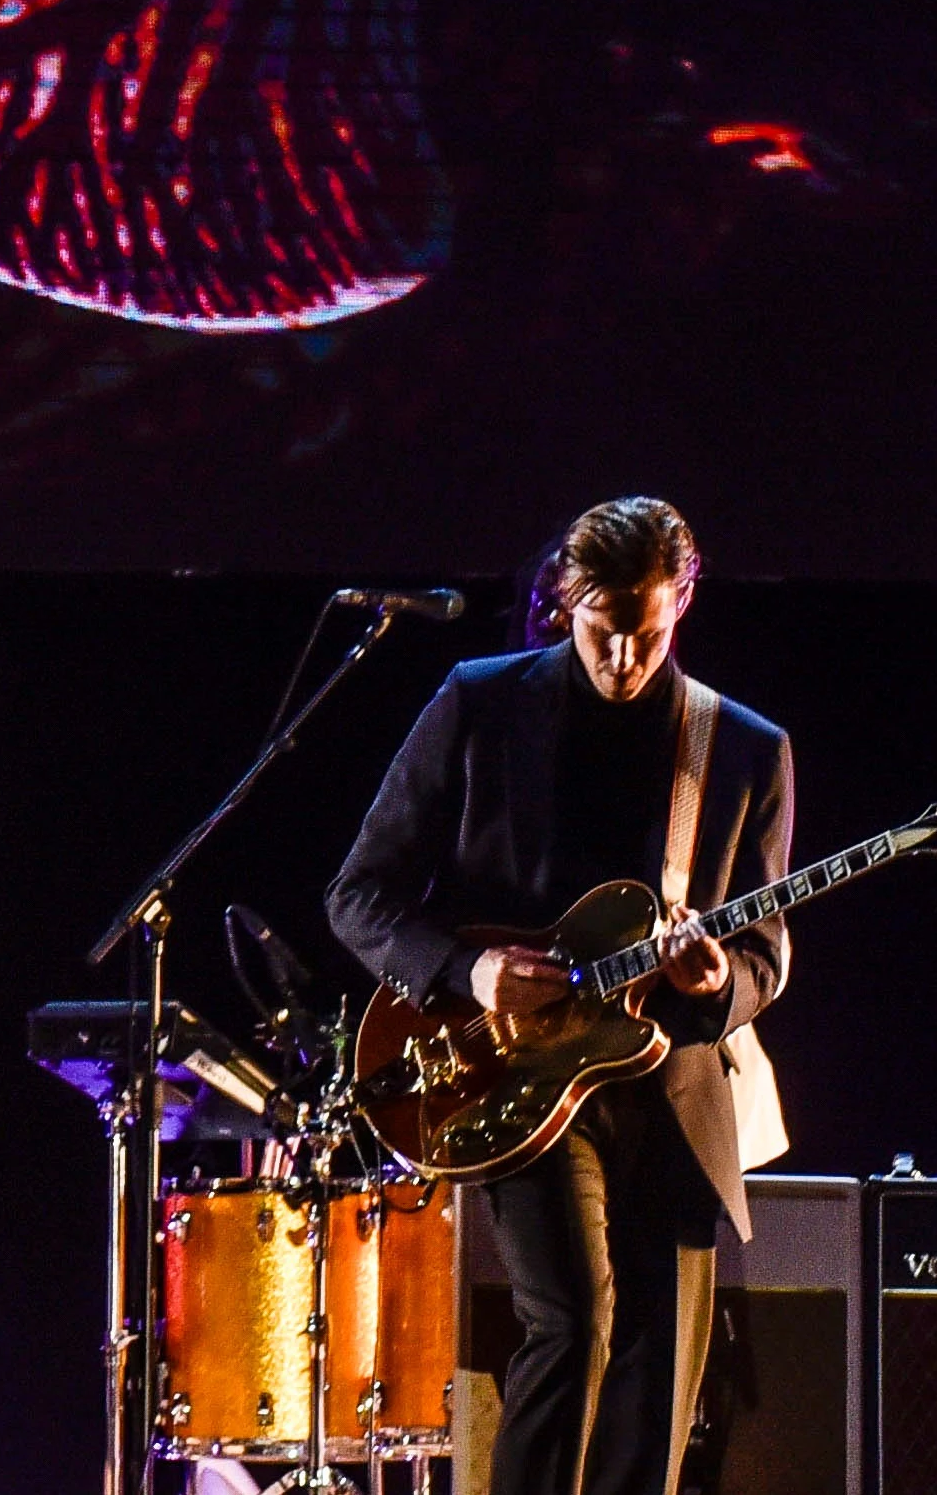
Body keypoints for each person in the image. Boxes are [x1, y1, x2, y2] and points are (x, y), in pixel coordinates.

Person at [326, 496, 793, 1495]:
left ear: (681, 606)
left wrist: (716, 984)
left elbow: (763, 956)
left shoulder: (743, 748)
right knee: (573, 1322)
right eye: (601, 631)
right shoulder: (477, 704)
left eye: (646, 634)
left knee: (658, 1372)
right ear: (564, 604)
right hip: (520, 1079)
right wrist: (472, 972)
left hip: (668, 1086)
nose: (622, 657)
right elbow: (358, 896)